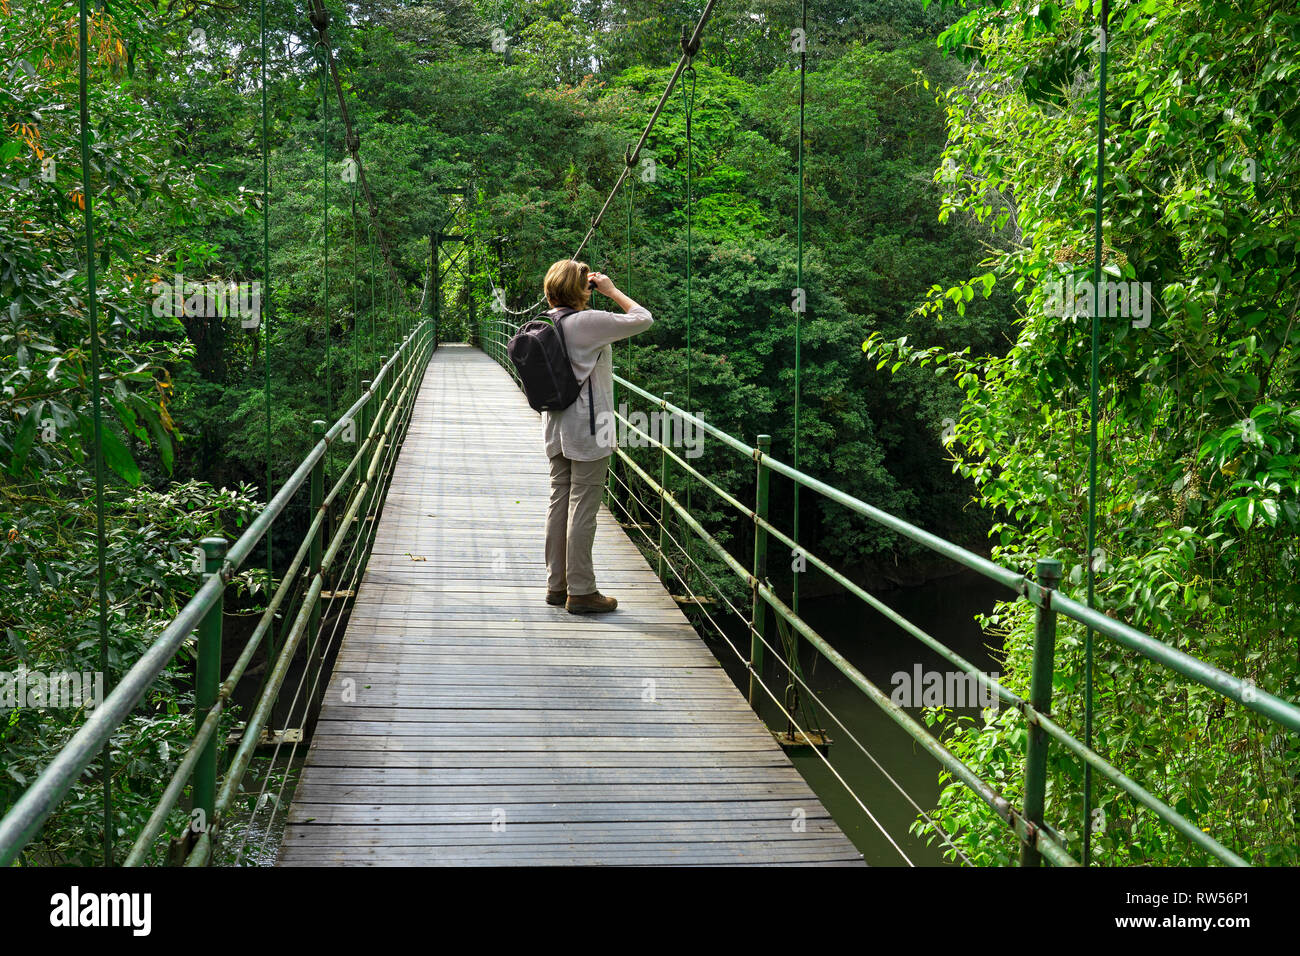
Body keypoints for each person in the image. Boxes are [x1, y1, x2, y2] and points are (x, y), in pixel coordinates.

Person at [540, 259, 653, 613]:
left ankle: (557, 585)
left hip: (555, 426)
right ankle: (582, 591)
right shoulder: (588, 322)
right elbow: (643, 318)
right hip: (588, 429)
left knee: (559, 502)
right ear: (582, 289)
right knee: (583, 508)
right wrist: (611, 290)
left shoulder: (547, 321)